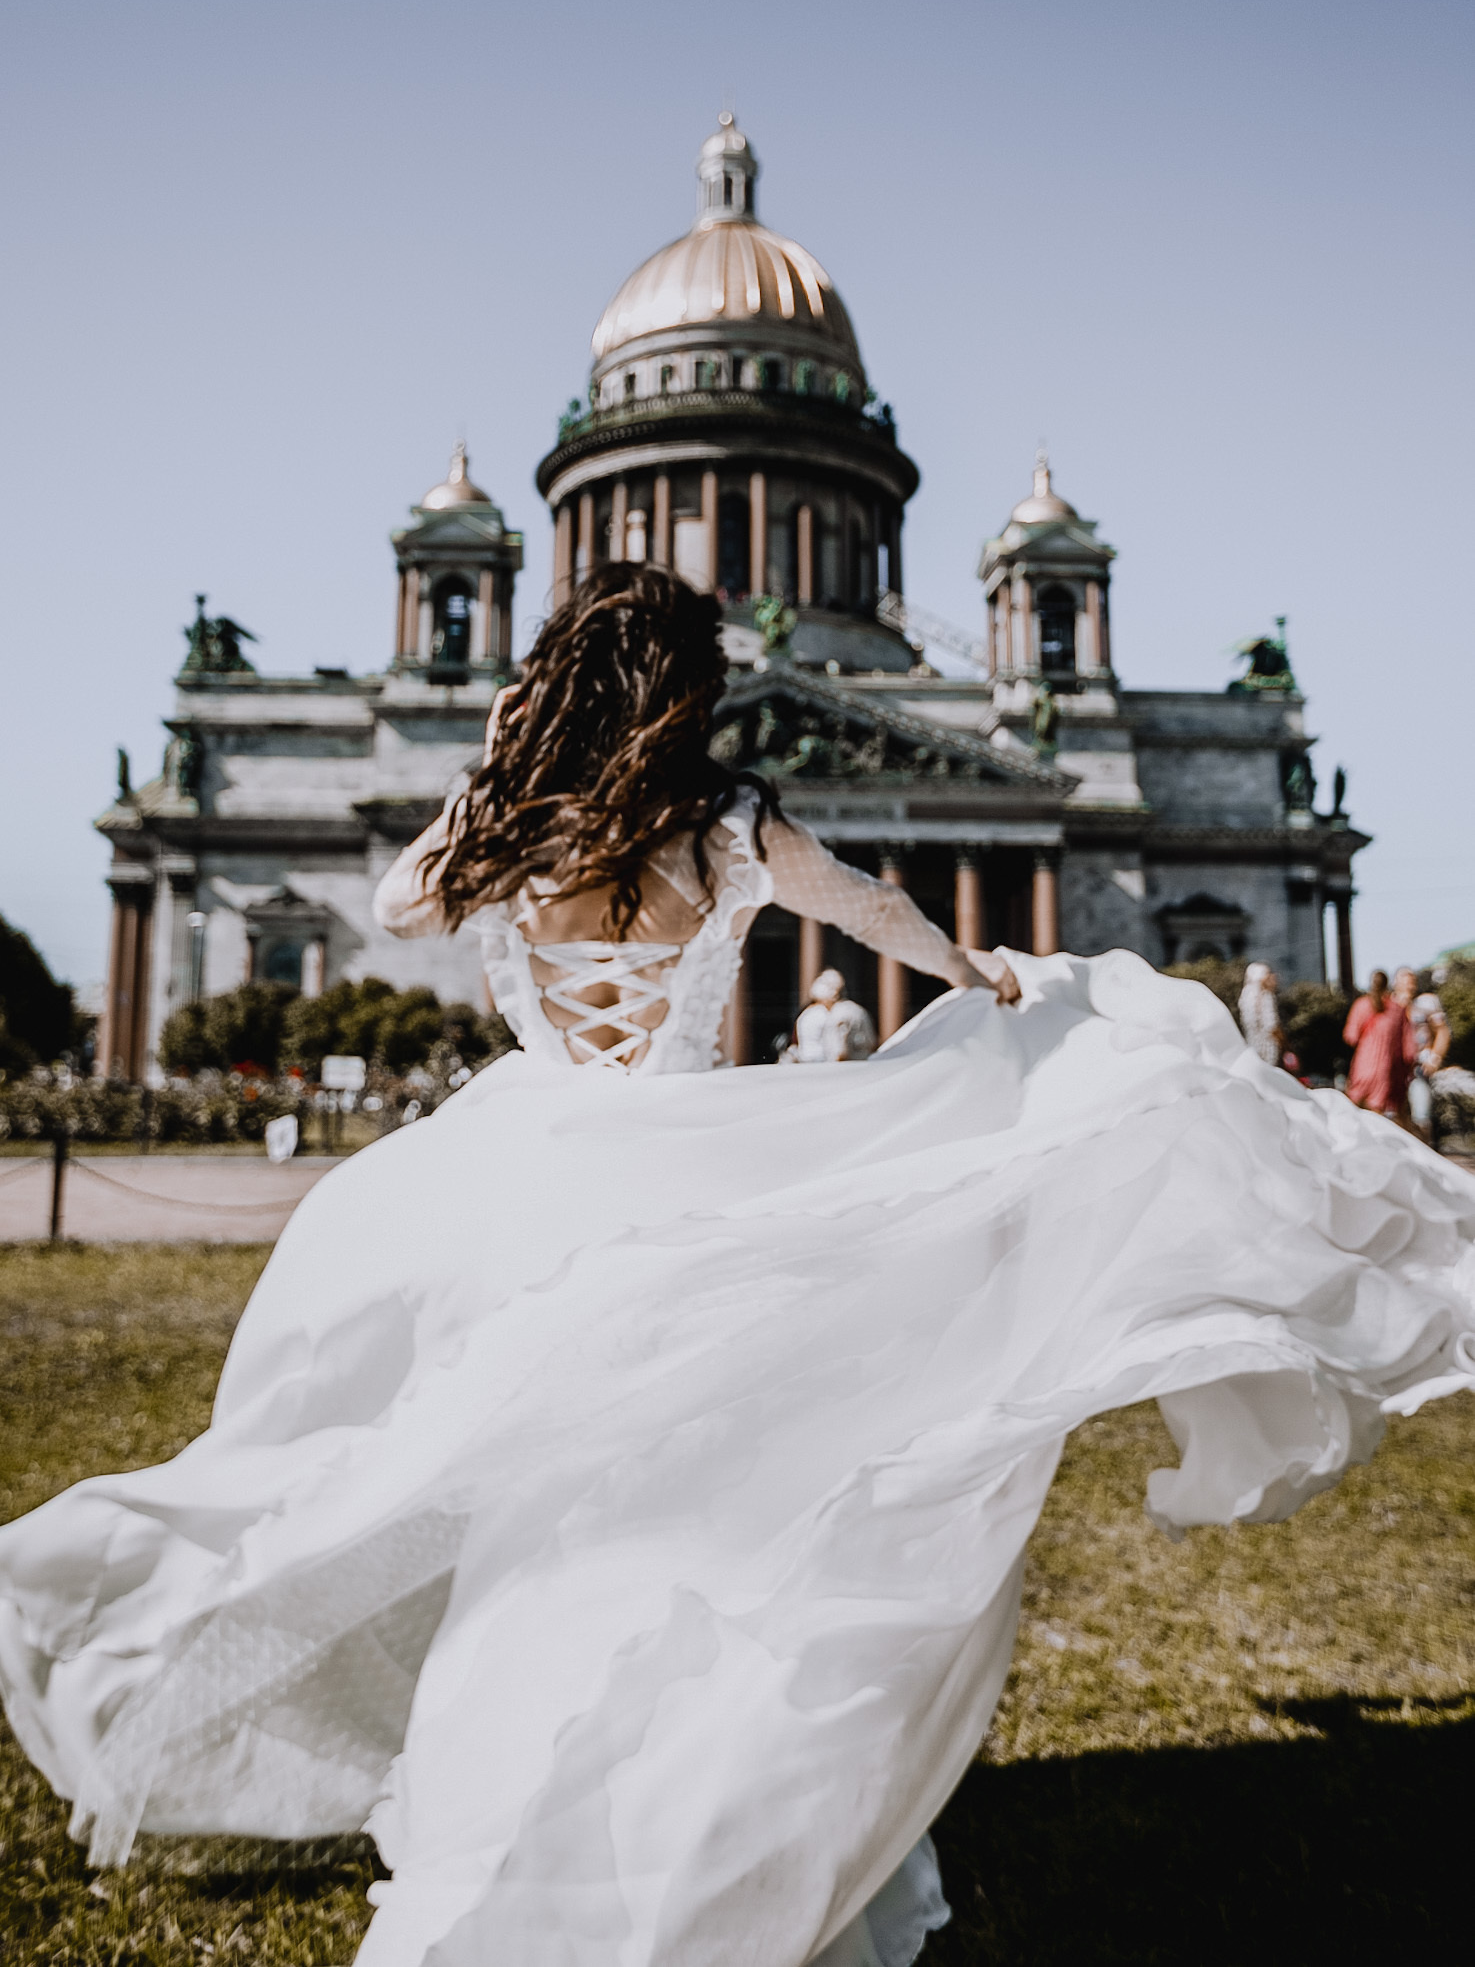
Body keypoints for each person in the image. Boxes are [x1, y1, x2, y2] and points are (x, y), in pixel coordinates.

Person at [0, 565, 1472, 1967]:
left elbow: (395, 906)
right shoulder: (725, 822)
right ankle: (686, 1788)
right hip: (687, 1164)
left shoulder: (513, 823)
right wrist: (982, 980)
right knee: (696, 1507)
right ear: (692, 691)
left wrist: (500, 767)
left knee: (472, 1489)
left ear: (553, 683)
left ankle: (490, 1754)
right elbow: (876, 916)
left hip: (509, 1181)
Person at [1343, 969, 1417, 1125]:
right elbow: (1409, 1050)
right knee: (1378, 1116)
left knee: (1353, 1110)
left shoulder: (1362, 1004)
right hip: (1386, 1069)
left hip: (1363, 1066)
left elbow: (1351, 1036)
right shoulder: (1397, 1009)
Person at [1395, 966, 1450, 1140]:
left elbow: (1442, 1031)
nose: (1410, 986)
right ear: (1396, 984)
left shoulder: (1426, 1003)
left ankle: (1425, 1151)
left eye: (1412, 982)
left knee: (1422, 1116)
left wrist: (1435, 1057)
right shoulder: (1390, 1005)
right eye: (1405, 983)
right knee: (1394, 1116)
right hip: (1396, 1067)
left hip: (1419, 1065)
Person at [787, 967, 878, 1064]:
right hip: (862, 1064)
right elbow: (872, 1042)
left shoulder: (835, 1013)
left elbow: (840, 1052)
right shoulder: (857, 1010)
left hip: (841, 1068)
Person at [1236, 961, 1282, 1066]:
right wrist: (1284, 1044)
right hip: (1266, 1045)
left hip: (1251, 1043)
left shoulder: (1246, 993)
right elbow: (1270, 1024)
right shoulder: (1264, 994)